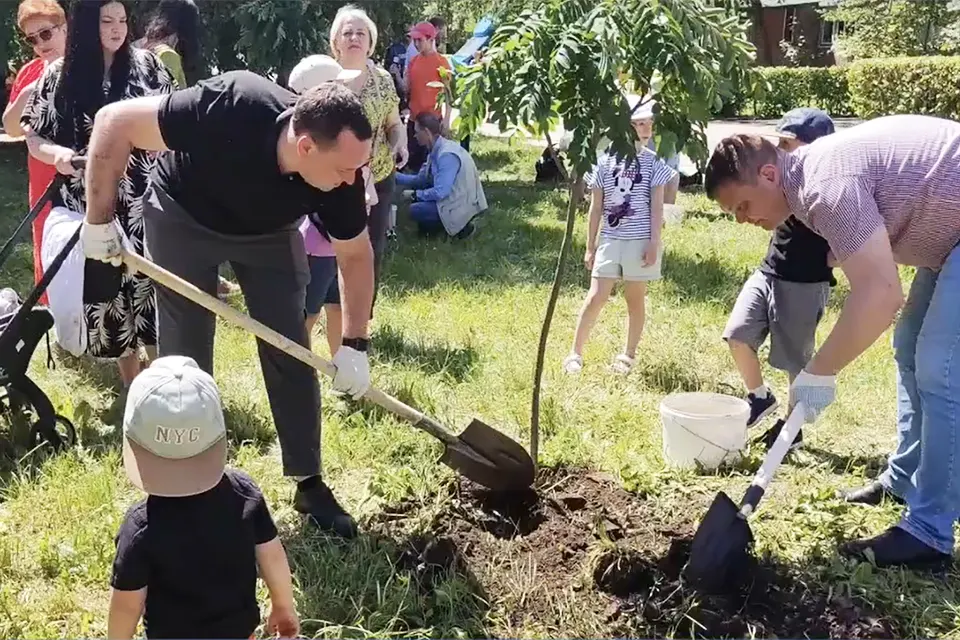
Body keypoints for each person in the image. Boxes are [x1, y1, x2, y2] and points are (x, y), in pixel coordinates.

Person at [79, 70, 375, 539]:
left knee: (288, 344)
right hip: (183, 214)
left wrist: (355, 342)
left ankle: (308, 481)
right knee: (185, 356)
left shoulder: (342, 179)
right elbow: (116, 121)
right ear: (306, 148)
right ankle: (187, 488)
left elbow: (355, 256)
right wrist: (98, 223)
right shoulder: (234, 103)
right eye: (346, 168)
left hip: (269, 232)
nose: (353, 179)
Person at [704, 113, 960, 570]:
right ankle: (902, 480)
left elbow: (881, 295)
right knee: (910, 347)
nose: (743, 221)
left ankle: (929, 531)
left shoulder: (825, 185)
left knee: (939, 366)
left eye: (742, 206)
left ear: (768, 174)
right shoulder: (806, 188)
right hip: (946, 238)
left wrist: (818, 372)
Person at [22, 0, 174, 386]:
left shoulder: (148, 66)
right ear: (88, 24)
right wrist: (56, 154)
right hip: (89, 204)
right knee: (108, 293)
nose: (117, 29)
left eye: (122, 20)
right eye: (107, 21)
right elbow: (32, 133)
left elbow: (176, 120)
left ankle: (165, 380)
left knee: (152, 289)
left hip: (145, 202)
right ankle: (132, 383)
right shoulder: (60, 73)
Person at [107, 356, 299, 640]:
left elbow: (126, 604)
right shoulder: (244, 494)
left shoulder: (141, 527)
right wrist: (283, 605)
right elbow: (271, 554)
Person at [722, 107, 837, 450]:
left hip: (805, 283)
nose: (780, 151)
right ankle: (759, 397)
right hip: (768, 271)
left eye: (787, 144)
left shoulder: (829, 185)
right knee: (737, 334)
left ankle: (792, 430)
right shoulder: (779, 178)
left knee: (795, 362)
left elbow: (855, 236)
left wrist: (834, 259)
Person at [134, 0, 240, 300]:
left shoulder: (139, 45)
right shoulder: (168, 55)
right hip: (163, 148)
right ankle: (199, 280)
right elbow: (176, 105)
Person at [563, 98, 678, 375]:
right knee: (597, 295)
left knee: (634, 298)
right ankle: (575, 353)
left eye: (649, 123)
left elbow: (657, 207)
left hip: (639, 241)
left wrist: (654, 243)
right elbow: (596, 206)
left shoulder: (652, 163)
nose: (646, 128)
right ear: (625, 127)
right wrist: (590, 246)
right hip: (611, 239)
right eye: (639, 123)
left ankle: (628, 354)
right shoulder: (605, 162)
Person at [287, 53, 380, 357]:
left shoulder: (349, 138)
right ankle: (299, 364)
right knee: (309, 311)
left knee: (337, 307)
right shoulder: (313, 158)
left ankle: (343, 364)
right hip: (317, 247)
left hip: (339, 246)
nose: (347, 96)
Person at [328, 6, 407, 314]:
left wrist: (399, 144)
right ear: (336, 42)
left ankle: (362, 320)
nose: (354, 38)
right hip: (333, 179)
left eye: (361, 33)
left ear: (371, 42)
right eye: (347, 32)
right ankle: (333, 312)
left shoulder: (384, 80)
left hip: (379, 177)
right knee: (331, 249)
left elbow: (393, 124)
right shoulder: (326, 78)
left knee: (371, 250)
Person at [3, 0, 67, 302]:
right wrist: (30, 92)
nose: (40, 44)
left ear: (65, 28)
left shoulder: (90, 66)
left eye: (46, 34)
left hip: (86, 174)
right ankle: (57, 319)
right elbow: (12, 128)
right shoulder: (29, 72)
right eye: (32, 39)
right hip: (43, 178)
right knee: (46, 244)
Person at [396, 112, 486, 239]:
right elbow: (421, 180)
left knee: (415, 210)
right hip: (454, 198)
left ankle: (462, 229)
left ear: (427, 132)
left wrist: (415, 195)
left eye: (417, 131)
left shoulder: (446, 155)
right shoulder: (435, 149)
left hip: (461, 204)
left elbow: (441, 192)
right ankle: (435, 230)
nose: (415, 135)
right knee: (418, 206)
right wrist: (394, 176)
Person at [403, 21, 451, 172]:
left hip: (432, 120)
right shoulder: (413, 61)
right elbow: (407, 88)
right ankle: (414, 191)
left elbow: (449, 93)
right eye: (414, 40)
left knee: (433, 162)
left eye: (420, 40)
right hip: (414, 120)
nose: (416, 44)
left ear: (431, 39)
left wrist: (447, 119)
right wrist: (400, 78)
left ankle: (431, 191)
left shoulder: (441, 62)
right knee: (414, 162)